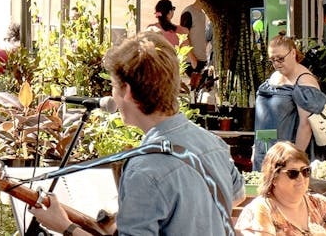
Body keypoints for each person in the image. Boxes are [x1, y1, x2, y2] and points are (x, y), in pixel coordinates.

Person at [29, 31, 244, 235]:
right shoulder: (212, 143)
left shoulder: (144, 169)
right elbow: (236, 195)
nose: (111, 95)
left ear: (128, 91)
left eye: (113, 86)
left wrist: (65, 227)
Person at [235, 141, 326, 235]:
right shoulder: (260, 211)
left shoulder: (320, 204)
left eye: (305, 171)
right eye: (293, 173)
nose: (301, 177)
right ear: (274, 178)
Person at [253, 34, 326, 170]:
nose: (276, 64)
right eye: (272, 60)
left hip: (287, 156)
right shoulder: (275, 75)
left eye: (280, 59)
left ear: (293, 53)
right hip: (264, 150)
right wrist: (256, 149)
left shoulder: (304, 81)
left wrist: (295, 160)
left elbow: (306, 125)